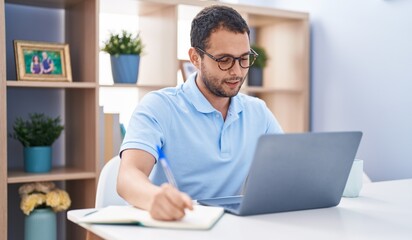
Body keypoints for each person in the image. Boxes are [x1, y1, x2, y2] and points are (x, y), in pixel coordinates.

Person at [117, 5, 283, 221]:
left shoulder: (257, 111)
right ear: (195, 58)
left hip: (234, 228)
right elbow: (128, 176)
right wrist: (154, 197)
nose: (237, 71)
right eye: (224, 60)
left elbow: (287, 172)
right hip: (178, 226)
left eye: (244, 58)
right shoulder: (158, 107)